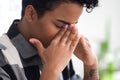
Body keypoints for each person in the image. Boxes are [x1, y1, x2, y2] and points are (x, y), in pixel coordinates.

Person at [0, 0, 99, 80]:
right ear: (31, 13)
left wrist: (91, 65)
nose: (69, 34)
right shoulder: (2, 60)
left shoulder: (60, 49)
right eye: (60, 26)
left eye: (73, 25)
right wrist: (51, 71)